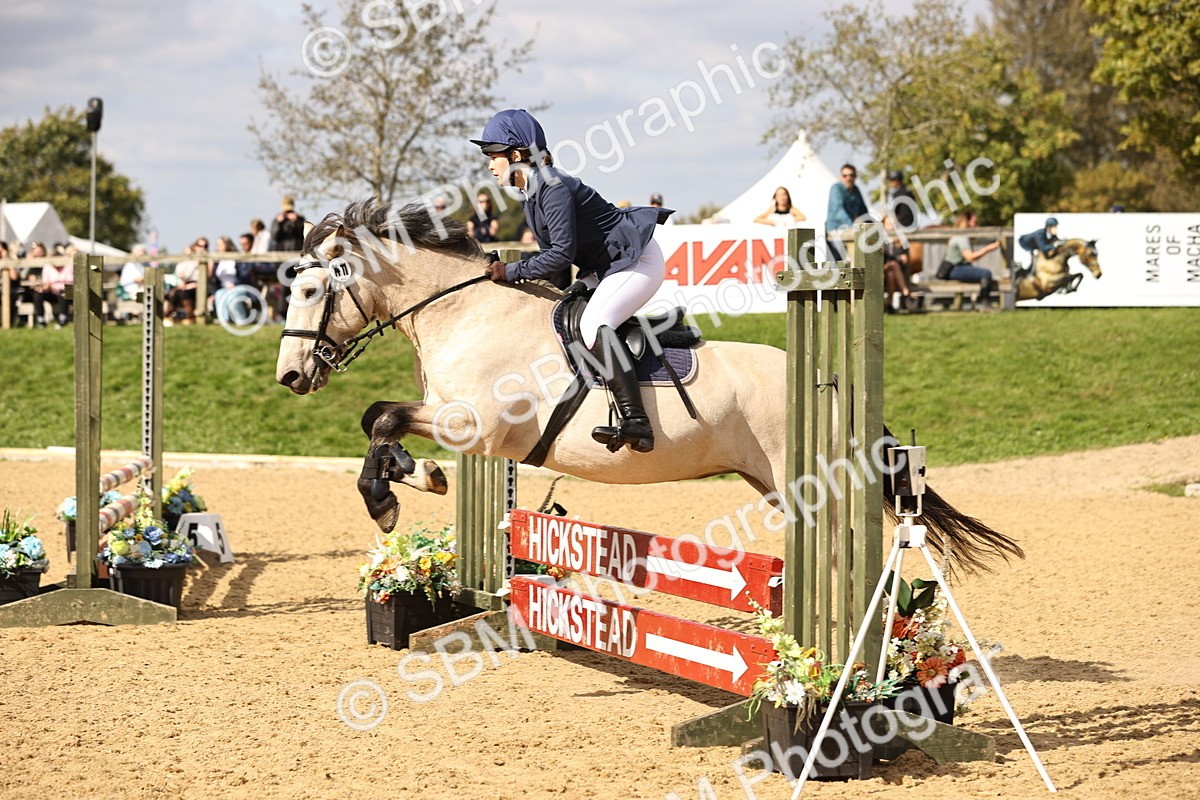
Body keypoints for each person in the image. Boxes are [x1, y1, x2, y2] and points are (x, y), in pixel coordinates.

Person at [471, 108, 672, 454]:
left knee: (594, 325)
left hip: (636, 260)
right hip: (606, 267)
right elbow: (552, 259)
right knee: (565, 313)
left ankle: (637, 421)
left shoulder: (552, 187)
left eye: (493, 156)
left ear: (516, 156)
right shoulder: (532, 194)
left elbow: (561, 255)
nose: (489, 165)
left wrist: (510, 271)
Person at [938, 211, 1000, 311]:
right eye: (974, 222)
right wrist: (988, 248)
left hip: (956, 268)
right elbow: (970, 257)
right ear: (967, 222)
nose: (976, 225)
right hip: (954, 269)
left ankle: (982, 303)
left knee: (983, 274)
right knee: (986, 274)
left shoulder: (959, 235)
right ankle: (985, 304)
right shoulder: (962, 237)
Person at [826, 164, 868, 260]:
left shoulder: (856, 190)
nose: (848, 178)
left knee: (857, 260)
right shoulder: (836, 188)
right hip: (836, 231)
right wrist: (852, 225)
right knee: (836, 264)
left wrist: (871, 224)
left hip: (851, 232)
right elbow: (838, 210)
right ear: (840, 176)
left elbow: (863, 211)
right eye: (845, 175)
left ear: (855, 176)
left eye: (851, 175)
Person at [36, 244, 75, 327]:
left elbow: (72, 281)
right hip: (52, 292)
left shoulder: (69, 266)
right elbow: (46, 283)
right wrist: (43, 288)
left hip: (68, 292)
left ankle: (63, 318)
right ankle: (40, 320)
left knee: (62, 292)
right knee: (38, 295)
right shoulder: (48, 266)